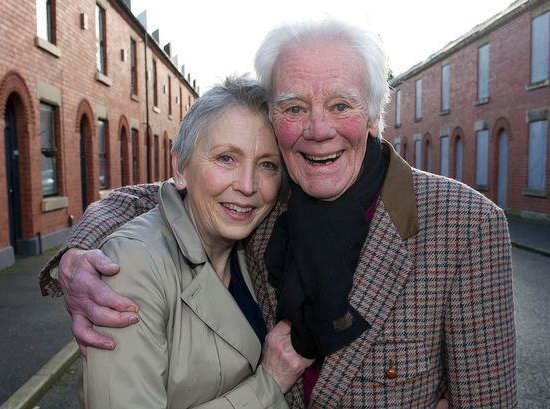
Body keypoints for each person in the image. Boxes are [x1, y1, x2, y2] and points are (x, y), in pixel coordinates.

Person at [41, 20, 517, 408]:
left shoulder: (464, 225)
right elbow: (164, 196)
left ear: (373, 116)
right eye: (294, 107)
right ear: (275, 120)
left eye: (340, 104)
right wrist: (80, 250)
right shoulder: (269, 198)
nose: (317, 129)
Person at [82, 77, 312, 408]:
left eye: (267, 164)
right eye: (226, 158)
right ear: (179, 167)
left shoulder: (251, 248)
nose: (247, 185)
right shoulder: (131, 266)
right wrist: (269, 385)